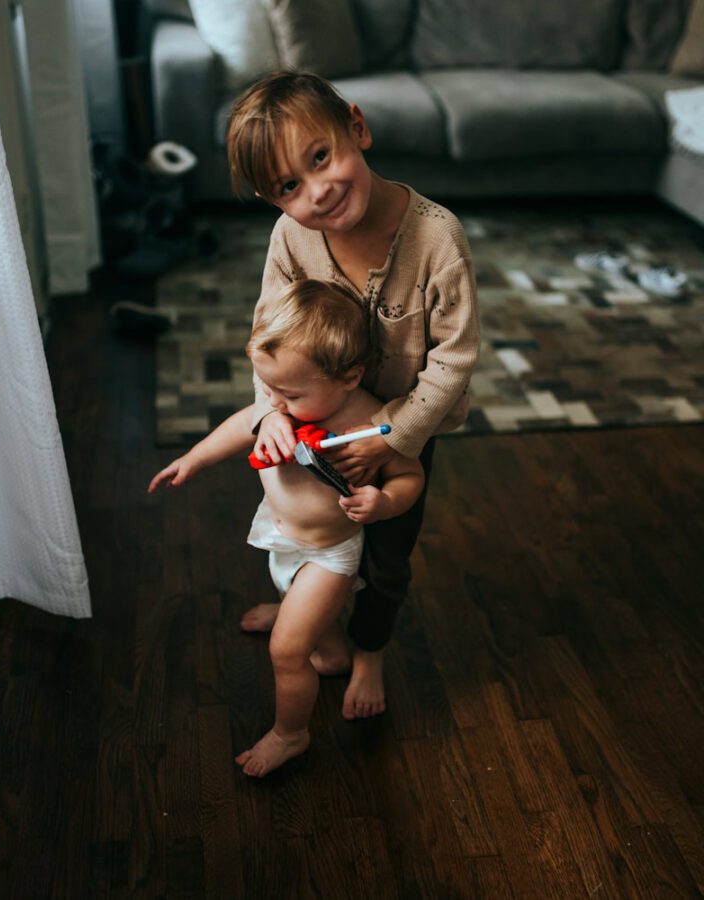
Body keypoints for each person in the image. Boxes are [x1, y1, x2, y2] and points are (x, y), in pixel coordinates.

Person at [227, 71, 480, 721]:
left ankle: (368, 650)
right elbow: (267, 334)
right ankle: (305, 610)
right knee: (303, 524)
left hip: (399, 434)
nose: (318, 189)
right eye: (289, 186)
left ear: (357, 129)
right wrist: (271, 411)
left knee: (386, 555)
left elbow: (454, 356)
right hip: (316, 417)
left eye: (321, 157)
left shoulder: (436, 237)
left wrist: (393, 438)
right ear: (270, 200)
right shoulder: (291, 239)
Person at [148, 279, 424, 777]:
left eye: (289, 393)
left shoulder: (369, 423)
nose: (273, 402)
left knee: (287, 650)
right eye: (266, 386)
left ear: (348, 377)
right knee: (307, 623)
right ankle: (331, 650)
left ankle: (291, 734)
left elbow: (410, 476)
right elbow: (243, 423)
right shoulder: (280, 404)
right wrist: (194, 459)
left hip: (327, 555)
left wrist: (384, 502)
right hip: (282, 538)